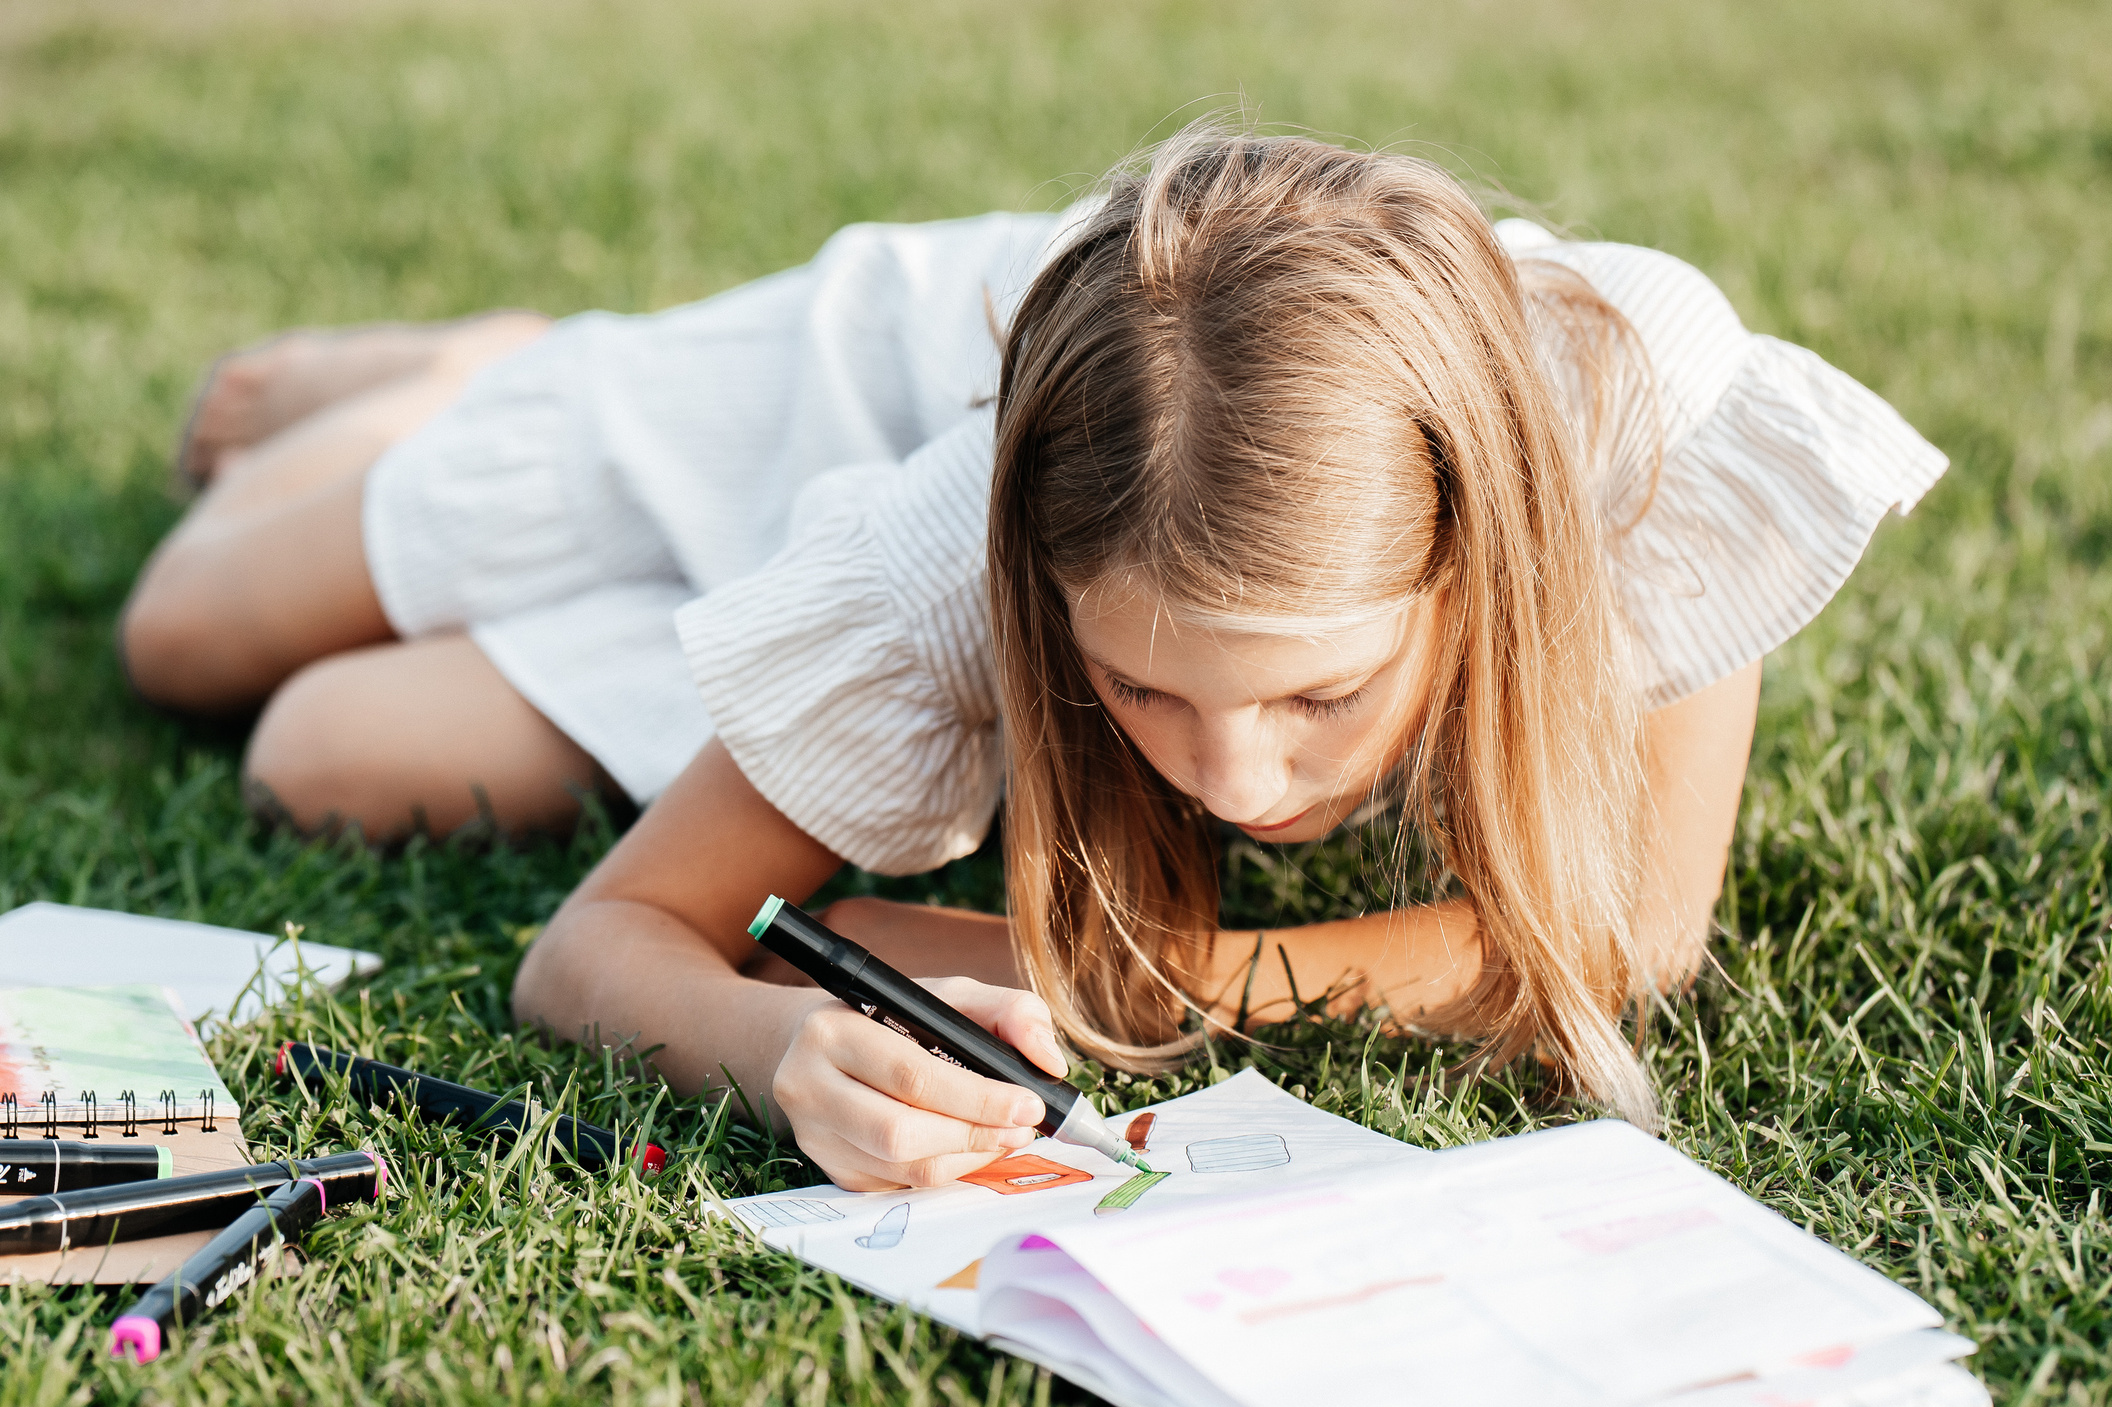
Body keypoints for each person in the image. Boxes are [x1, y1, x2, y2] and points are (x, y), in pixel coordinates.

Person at [124, 128, 1944, 1182]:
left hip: (1062, 432)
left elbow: (1637, 924)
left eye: (1320, 694)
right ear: (1040, 599)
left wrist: (1190, 973)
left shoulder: (1630, 447)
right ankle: (469, 370)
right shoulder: (941, 561)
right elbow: (597, 944)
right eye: (1141, 688)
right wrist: (771, 1045)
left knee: (327, 750)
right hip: (838, 396)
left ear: (1479, 561)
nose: (1233, 776)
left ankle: (582, 516)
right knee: (190, 631)